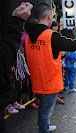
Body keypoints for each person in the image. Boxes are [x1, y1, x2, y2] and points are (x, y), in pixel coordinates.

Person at [24, 3, 76, 133]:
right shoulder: (50, 35)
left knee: (44, 109)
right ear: (49, 16)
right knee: (46, 110)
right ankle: (44, 129)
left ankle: (44, 125)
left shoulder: (29, 36)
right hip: (50, 82)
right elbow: (73, 45)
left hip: (37, 80)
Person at [0, 2, 33, 133]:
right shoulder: (20, 36)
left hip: (15, 66)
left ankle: (14, 101)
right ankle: (12, 102)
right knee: (18, 82)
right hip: (13, 65)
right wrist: (15, 25)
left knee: (19, 82)